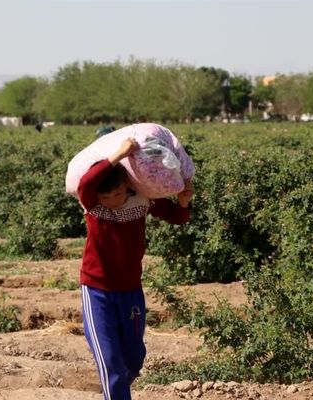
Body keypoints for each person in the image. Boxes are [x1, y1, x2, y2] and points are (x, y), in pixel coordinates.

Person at [77, 138, 193, 400]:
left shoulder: (143, 199)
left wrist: (184, 202)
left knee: (134, 359)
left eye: (117, 194)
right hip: (96, 290)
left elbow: (177, 217)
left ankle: (115, 390)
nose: (112, 201)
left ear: (127, 186)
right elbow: (86, 183)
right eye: (105, 197)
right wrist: (119, 154)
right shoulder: (92, 204)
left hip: (130, 289)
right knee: (110, 361)